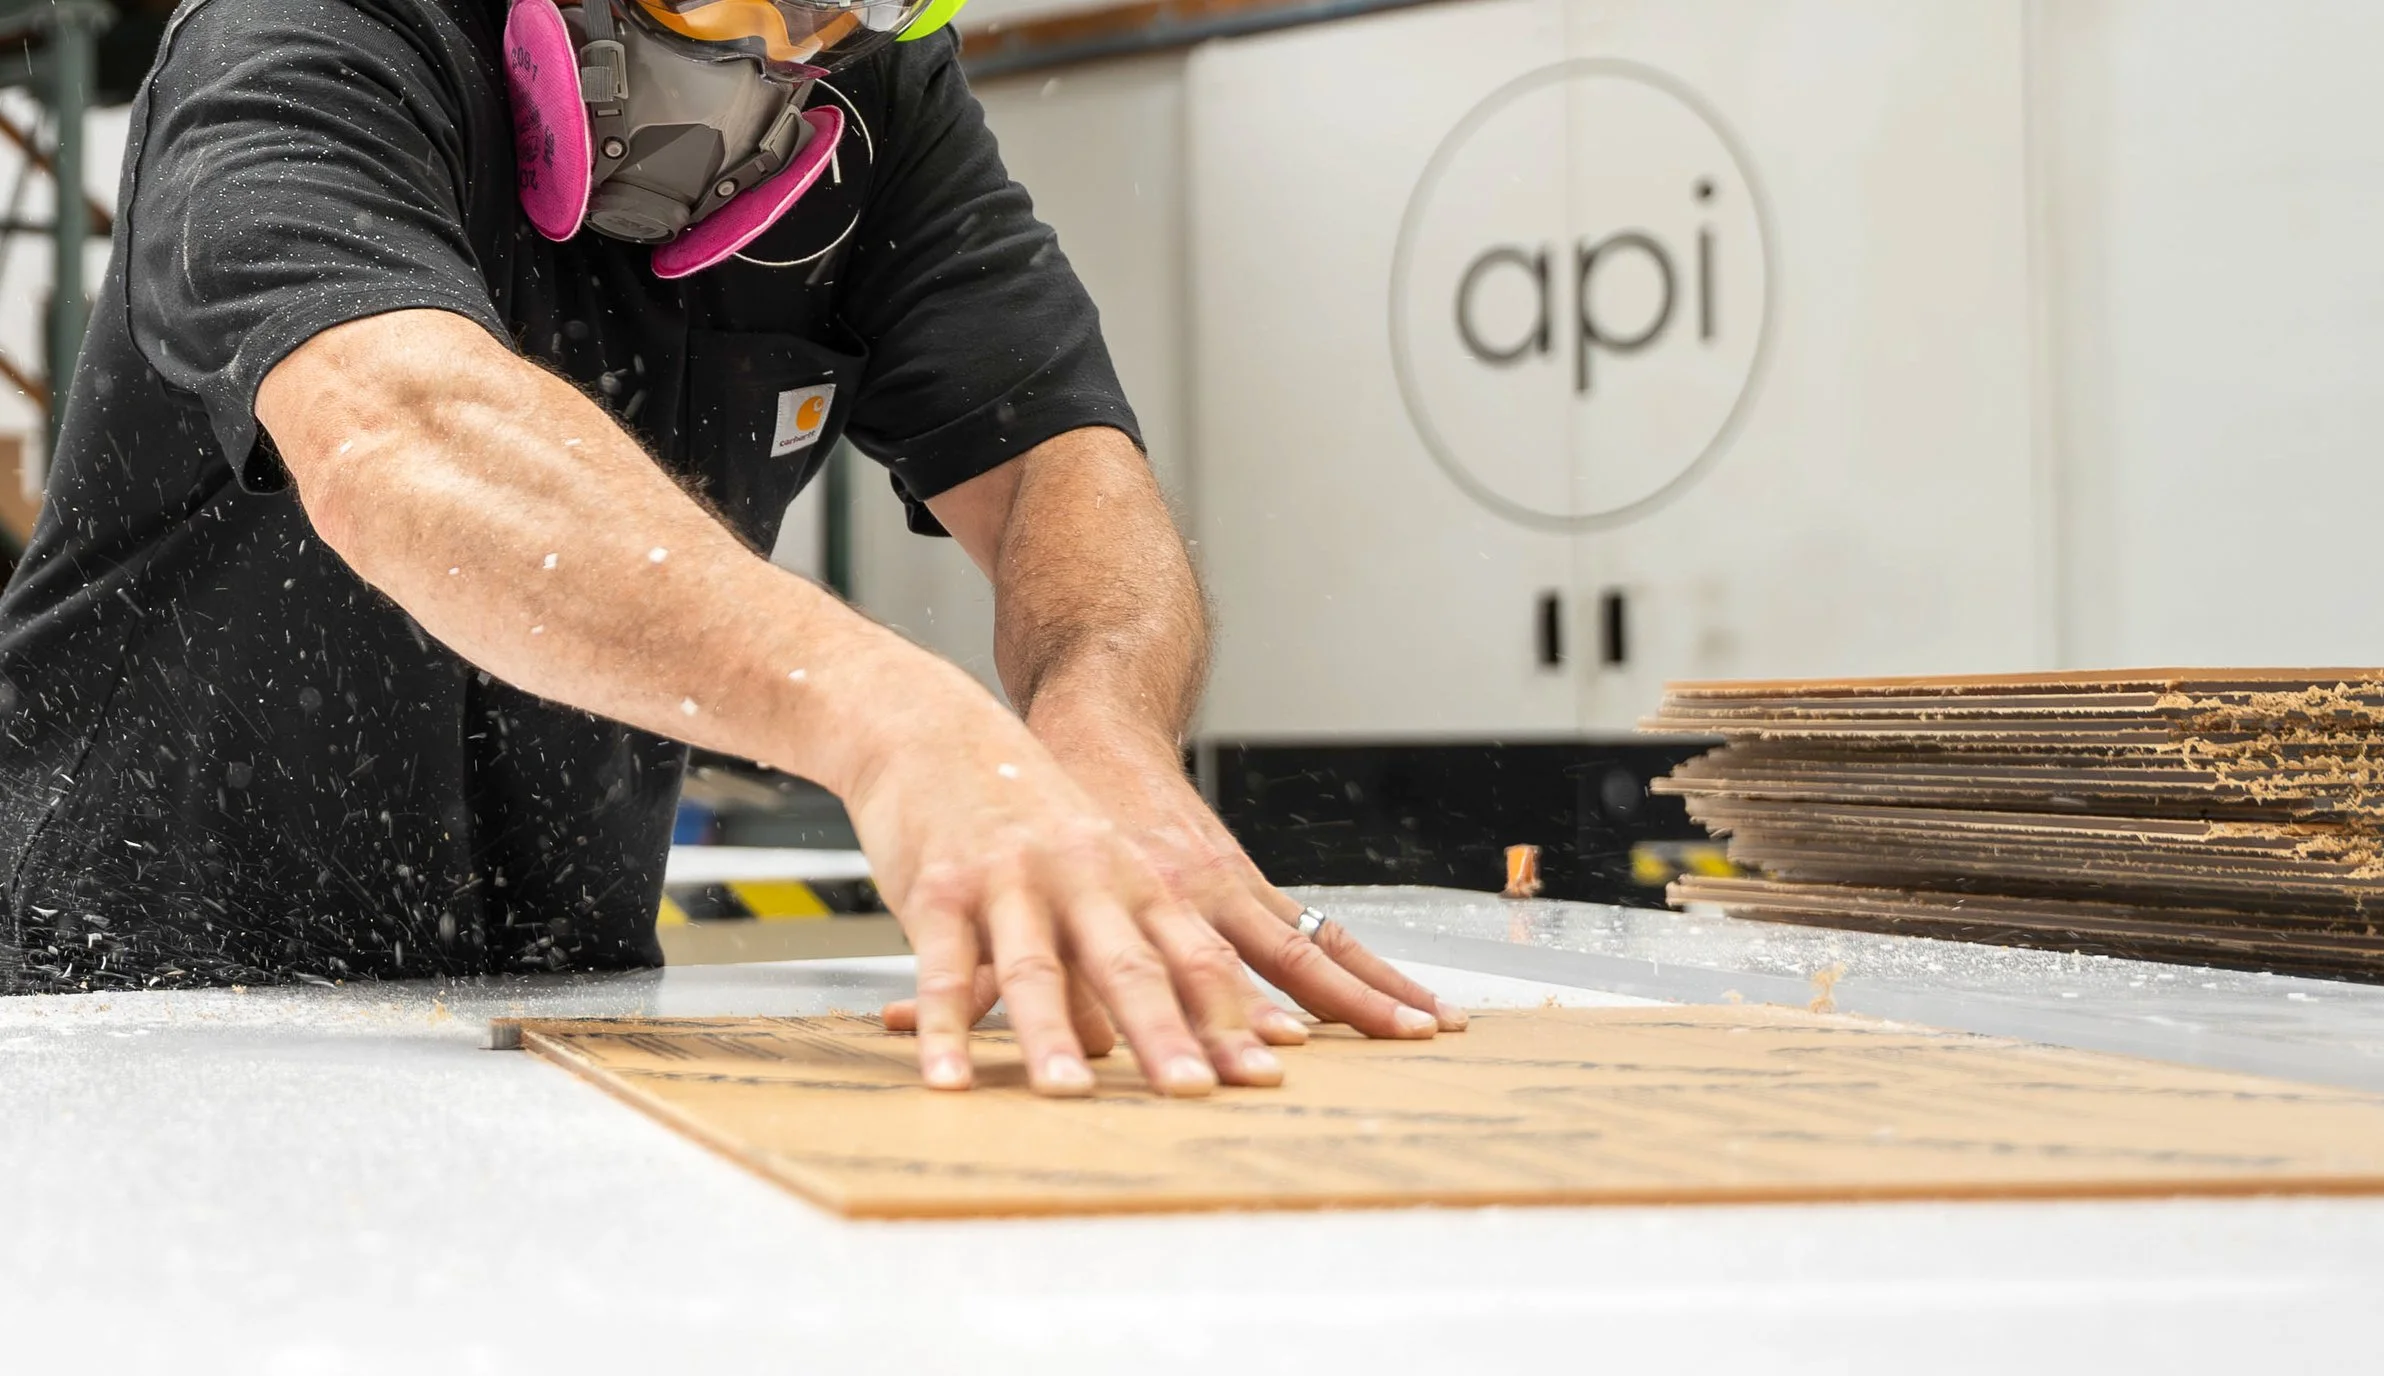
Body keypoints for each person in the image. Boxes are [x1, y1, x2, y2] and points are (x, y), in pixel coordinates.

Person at [0, 0, 1460, 1094]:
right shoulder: (311, 33)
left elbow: (1060, 467)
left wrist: (1106, 732)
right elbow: (401, 430)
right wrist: (891, 717)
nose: (786, 46)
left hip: (562, 1021)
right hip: (129, 1011)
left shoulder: (871, 96)